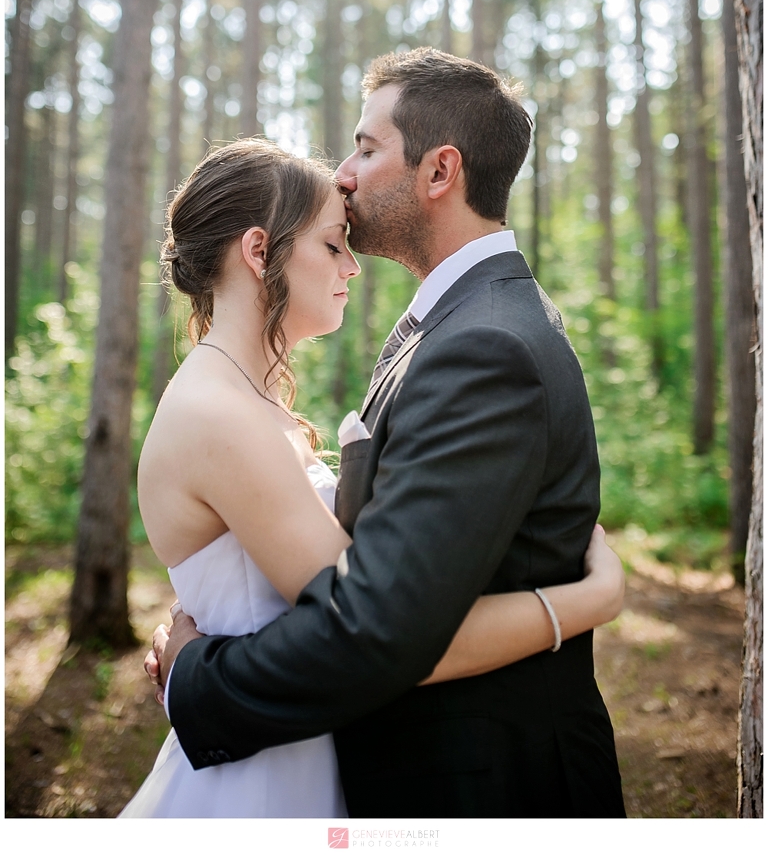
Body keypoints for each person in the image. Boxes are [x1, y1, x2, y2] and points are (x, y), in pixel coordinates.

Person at [145, 49, 627, 817]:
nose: (343, 172)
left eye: (367, 148)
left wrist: (194, 678)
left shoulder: (484, 344)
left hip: (488, 791)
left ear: (439, 173)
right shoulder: (461, 325)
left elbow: (374, 628)